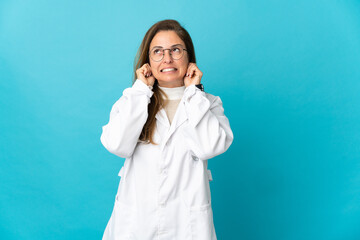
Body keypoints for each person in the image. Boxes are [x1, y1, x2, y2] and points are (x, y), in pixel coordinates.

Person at [100, 19, 233, 240]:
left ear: (188, 56)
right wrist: (142, 89)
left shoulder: (207, 103)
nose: (167, 58)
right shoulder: (133, 100)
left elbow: (209, 147)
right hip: (136, 225)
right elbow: (116, 144)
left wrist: (194, 93)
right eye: (158, 51)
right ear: (148, 61)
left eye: (176, 50)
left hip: (187, 226)